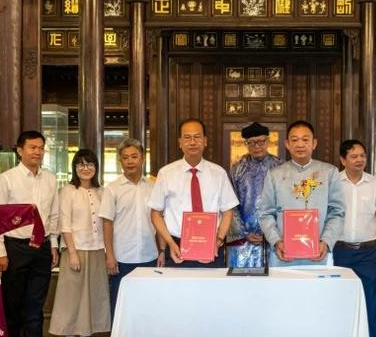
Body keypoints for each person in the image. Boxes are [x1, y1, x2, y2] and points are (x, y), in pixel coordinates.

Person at [0, 130, 59, 337]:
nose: (37, 152)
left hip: (41, 247)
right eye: (32, 147)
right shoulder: (7, 179)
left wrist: (53, 245)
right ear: (20, 150)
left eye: (41, 148)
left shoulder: (50, 179)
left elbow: (54, 215)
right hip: (15, 247)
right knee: (12, 303)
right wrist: (0, 251)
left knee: (35, 303)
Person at [149, 119, 239, 267]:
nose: (192, 142)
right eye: (187, 137)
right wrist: (170, 244)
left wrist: (218, 240)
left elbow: (228, 211)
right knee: (178, 290)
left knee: (211, 290)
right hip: (177, 247)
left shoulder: (218, 173)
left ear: (205, 141)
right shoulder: (166, 173)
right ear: (180, 142)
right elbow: (155, 214)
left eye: (197, 137)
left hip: (212, 246)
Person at [49, 149, 110, 337]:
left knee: (92, 299)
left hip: (97, 250)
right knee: (72, 299)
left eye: (90, 164)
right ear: (75, 167)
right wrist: (72, 253)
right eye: (81, 164)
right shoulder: (67, 191)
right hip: (75, 251)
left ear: (96, 167)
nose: (86, 168)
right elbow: (64, 224)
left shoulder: (102, 192)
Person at [334, 139, 376, 337]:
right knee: (340, 299)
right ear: (343, 160)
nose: (360, 160)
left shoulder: (375, 184)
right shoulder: (334, 182)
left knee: (373, 299)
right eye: (354, 156)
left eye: (362, 155)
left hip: (368, 252)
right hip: (340, 250)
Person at [257, 120, 345, 267]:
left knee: (318, 290)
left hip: (318, 253)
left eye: (305, 139)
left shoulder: (329, 173)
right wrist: (276, 241)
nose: (300, 144)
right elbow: (265, 213)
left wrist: (326, 242)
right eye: (295, 140)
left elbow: (337, 212)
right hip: (283, 255)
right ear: (287, 144)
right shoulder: (275, 175)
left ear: (314, 143)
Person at [100, 138, 163, 326]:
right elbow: (107, 224)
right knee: (120, 305)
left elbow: (159, 221)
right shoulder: (112, 189)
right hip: (122, 258)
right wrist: (110, 256)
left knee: (148, 305)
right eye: (125, 158)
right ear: (120, 161)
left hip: (149, 255)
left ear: (142, 158)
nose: (130, 161)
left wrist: (161, 251)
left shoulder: (154, 187)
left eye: (134, 156)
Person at [228, 123, 282, 268]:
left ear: (268, 141)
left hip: (275, 239)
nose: (256, 146)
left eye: (260, 141)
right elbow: (231, 204)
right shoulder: (237, 169)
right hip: (244, 240)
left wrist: (272, 233)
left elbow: (285, 204)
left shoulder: (280, 168)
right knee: (242, 284)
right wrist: (244, 233)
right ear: (246, 144)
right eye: (251, 142)